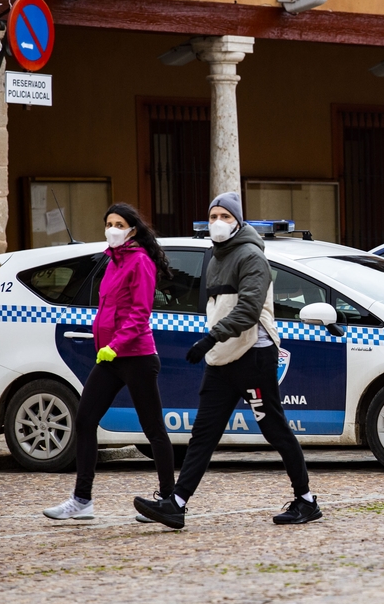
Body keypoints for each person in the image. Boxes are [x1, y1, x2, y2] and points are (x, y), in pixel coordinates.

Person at [133, 192, 321, 529]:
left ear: (238, 221)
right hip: (223, 359)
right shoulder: (214, 255)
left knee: (274, 429)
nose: (218, 222)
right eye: (214, 216)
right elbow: (215, 302)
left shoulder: (252, 257)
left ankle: (305, 501)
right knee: (203, 434)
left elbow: (248, 310)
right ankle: (176, 503)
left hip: (254, 356)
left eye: (225, 216)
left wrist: (209, 339)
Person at [44, 203, 176, 520]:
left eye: (119, 224)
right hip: (110, 357)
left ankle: (169, 500)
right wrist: (106, 345)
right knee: (86, 420)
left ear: (132, 229)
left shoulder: (140, 262)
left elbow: (139, 313)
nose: (112, 229)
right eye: (108, 223)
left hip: (137, 357)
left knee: (153, 428)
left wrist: (115, 345)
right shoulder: (112, 260)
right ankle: (82, 500)